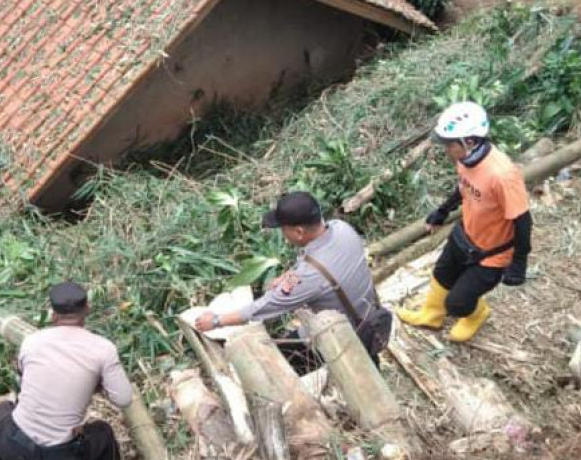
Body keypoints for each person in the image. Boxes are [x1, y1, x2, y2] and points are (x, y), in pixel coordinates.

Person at [195, 191, 391, 368]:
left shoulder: (310, 277)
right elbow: (319, 264)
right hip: (368, 314)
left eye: (283, 229)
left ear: (298, 232)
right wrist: (291, 273)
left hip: (346, 337)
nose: (282, 233)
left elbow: (263, 307)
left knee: (279, 364)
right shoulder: (341, 228)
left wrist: (215, 320)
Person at [397, 102, 532, 342]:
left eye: (450, 144)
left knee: (458, 304)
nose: (447, 150)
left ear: (469, 141)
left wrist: (519, 262)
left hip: (492, 252)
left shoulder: (502, 175)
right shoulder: (466, 160)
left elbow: (523, 221)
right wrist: (442, 211)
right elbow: (464, 188)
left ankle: (476, 315)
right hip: (466, 233)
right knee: (442, 274)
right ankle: (432, 315)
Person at [0, 281, 131, 460]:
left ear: (53, 314)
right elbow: (124, 398)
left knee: (3, 408)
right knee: (102, 432)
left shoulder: (32, 341)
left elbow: (24, 376)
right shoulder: (103, 350)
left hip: (13, 447)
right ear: (87, 309)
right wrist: (96, 385)